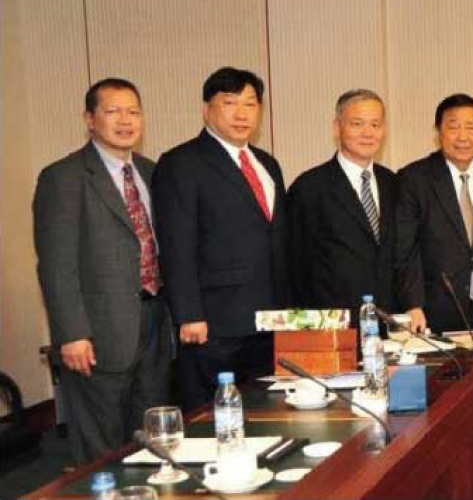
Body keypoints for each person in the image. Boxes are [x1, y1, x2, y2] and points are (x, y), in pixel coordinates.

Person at [35, 78, 172, 462]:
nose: (125, 121)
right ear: (90, 119)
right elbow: (56, 263)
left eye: (133, 112)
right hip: (97, 335)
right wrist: (72, 333)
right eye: (113, 111)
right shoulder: (63, 177)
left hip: (154, 323)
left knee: (154, 442)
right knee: (101, 449)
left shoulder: (152, 171)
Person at [153, 67, 289, 411]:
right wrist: (189, 314)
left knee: (265, 412)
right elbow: (176, 244)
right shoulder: (181, 163)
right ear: (206, 109)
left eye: (250, 104)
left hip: (268, 320)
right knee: (212, 418)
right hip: (214, 322)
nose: (242, 114)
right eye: (230, 103)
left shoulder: (267, 164)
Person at [394, 94, 473, 333]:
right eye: (453, 127)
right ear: (438, 132)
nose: (462, 137)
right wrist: (413, 305)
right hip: (434, 313)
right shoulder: (414, 178)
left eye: (471, 127)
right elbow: (405, 249)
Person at [286, 89, 399, 318]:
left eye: (375, 124)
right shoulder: (309, 187)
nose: (368, 132)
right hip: (333, 322)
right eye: (357, 124)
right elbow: (295, 266)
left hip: (389, 319)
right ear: (337, 128)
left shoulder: (394, 183)